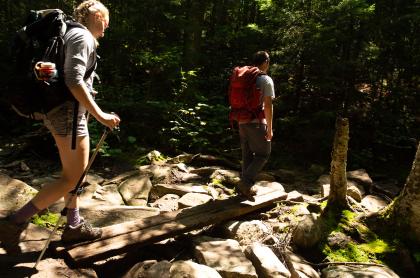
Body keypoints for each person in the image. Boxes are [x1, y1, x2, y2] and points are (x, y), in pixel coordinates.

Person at [5, 0, 120, 243]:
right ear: (97, 15)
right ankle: (15, 222)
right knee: (72, 177)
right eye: (106, 20)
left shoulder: (70, 33)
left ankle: (74, 224)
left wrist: (87, 92)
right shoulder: (83, 37)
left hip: (65, 110)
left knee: (75, 174)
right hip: (67, 114)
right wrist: (101, 116)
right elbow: (73, 80)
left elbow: (66, 76)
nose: (107, 26)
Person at [236, 51, 275, 200]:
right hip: (257, 123)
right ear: (265, 62)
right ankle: (245, 183)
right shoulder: (265, 79)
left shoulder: (245, 77)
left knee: (247, 155)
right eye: (269, 61)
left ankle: (245, 189)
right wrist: (270, 128)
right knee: (263, 154)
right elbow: (268, 106)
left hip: (241, 121)